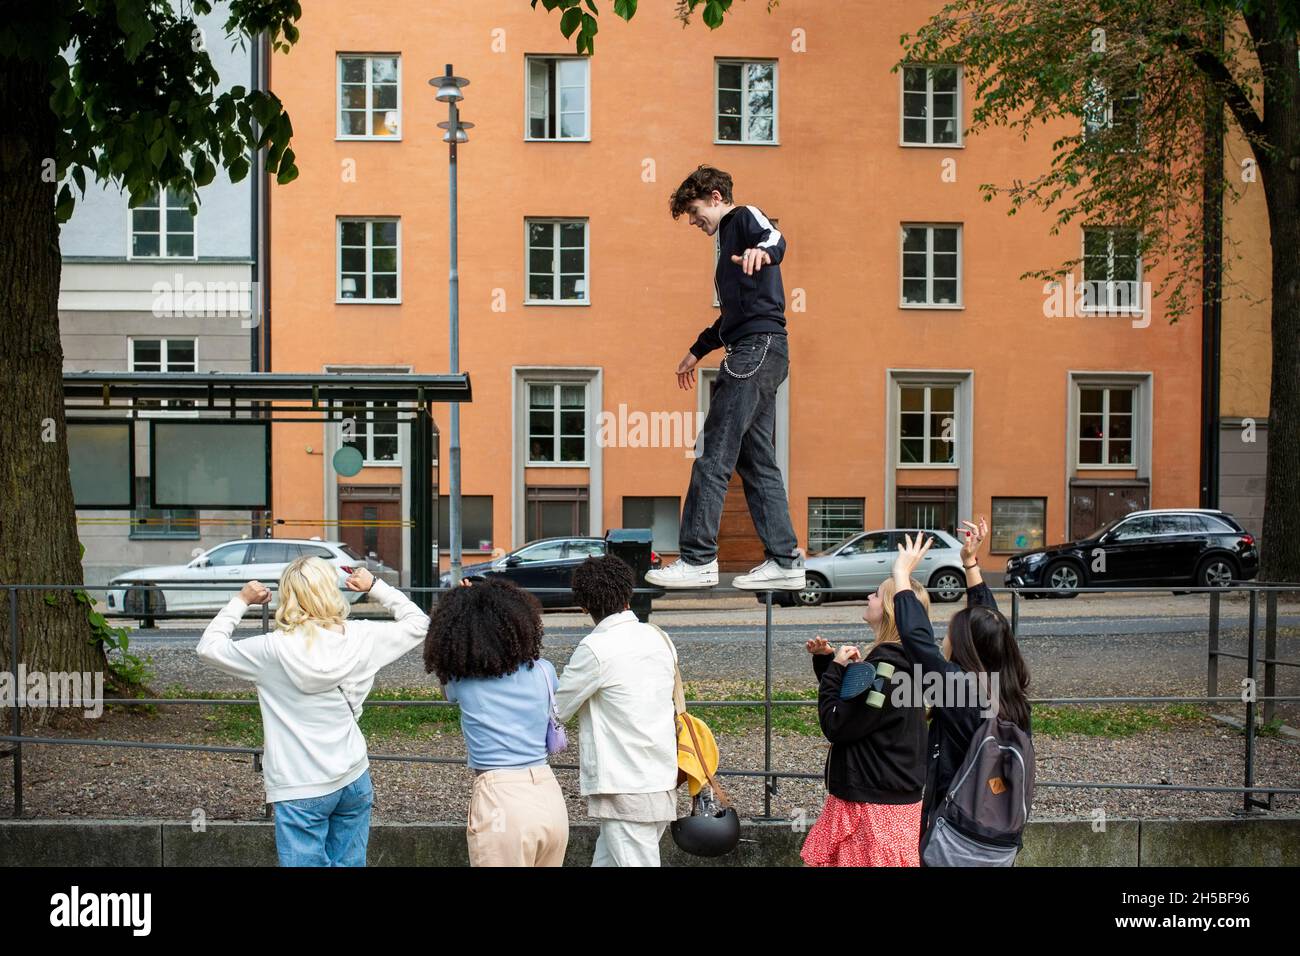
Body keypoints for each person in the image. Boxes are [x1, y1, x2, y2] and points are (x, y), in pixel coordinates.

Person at [196, 557, 430, 866]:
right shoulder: (364, 637)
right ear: (330, 591)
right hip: (353, 775)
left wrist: (241, 601)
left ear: (287, 595)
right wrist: (376, 586)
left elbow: (208, 647)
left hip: (298, 785)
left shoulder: (270, 650)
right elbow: (419, 623)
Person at [646, 164, 804, 592]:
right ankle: (786, 560)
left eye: (697, 213)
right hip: (763, 348)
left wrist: (765, 251)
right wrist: (696, 351)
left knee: (714, 454)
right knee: (757, 463)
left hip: (755, 353)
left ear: (716, 197)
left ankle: (697, 558)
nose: (696, 223)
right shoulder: (729, 245)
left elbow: (775, 238)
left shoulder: (742, 218)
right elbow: (731, 318)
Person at [891, 519, 1033, 860]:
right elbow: (992, 630)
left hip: (956, 836)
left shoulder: (959, 692)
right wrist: (970, 563)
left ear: (965, 646)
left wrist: (901, 576)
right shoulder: (1008, 690)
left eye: (951, 631)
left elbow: (916, 642)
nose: (945, 637)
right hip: (999, 840)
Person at [423, 577, 569, 867]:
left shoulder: (461, 681)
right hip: (549, 794)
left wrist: (459, 609)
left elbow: (445, 662)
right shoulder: (544, 671)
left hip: (501, 800)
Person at [553, 556, 679, 866]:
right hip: (660, 778)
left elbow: (556, 708)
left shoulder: (596, 649)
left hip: (624, 785)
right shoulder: (659, 638)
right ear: (628, 593)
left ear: (583, 606)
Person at [800, 576, 930, 866]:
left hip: (870, 805)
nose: (868, 598)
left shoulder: (883, 670)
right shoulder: (906, 663)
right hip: (897, 800)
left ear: (887, 609)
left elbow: (838, 724)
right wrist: (828, 663)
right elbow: (863, 712)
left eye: (875, 594)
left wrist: (835, 669)